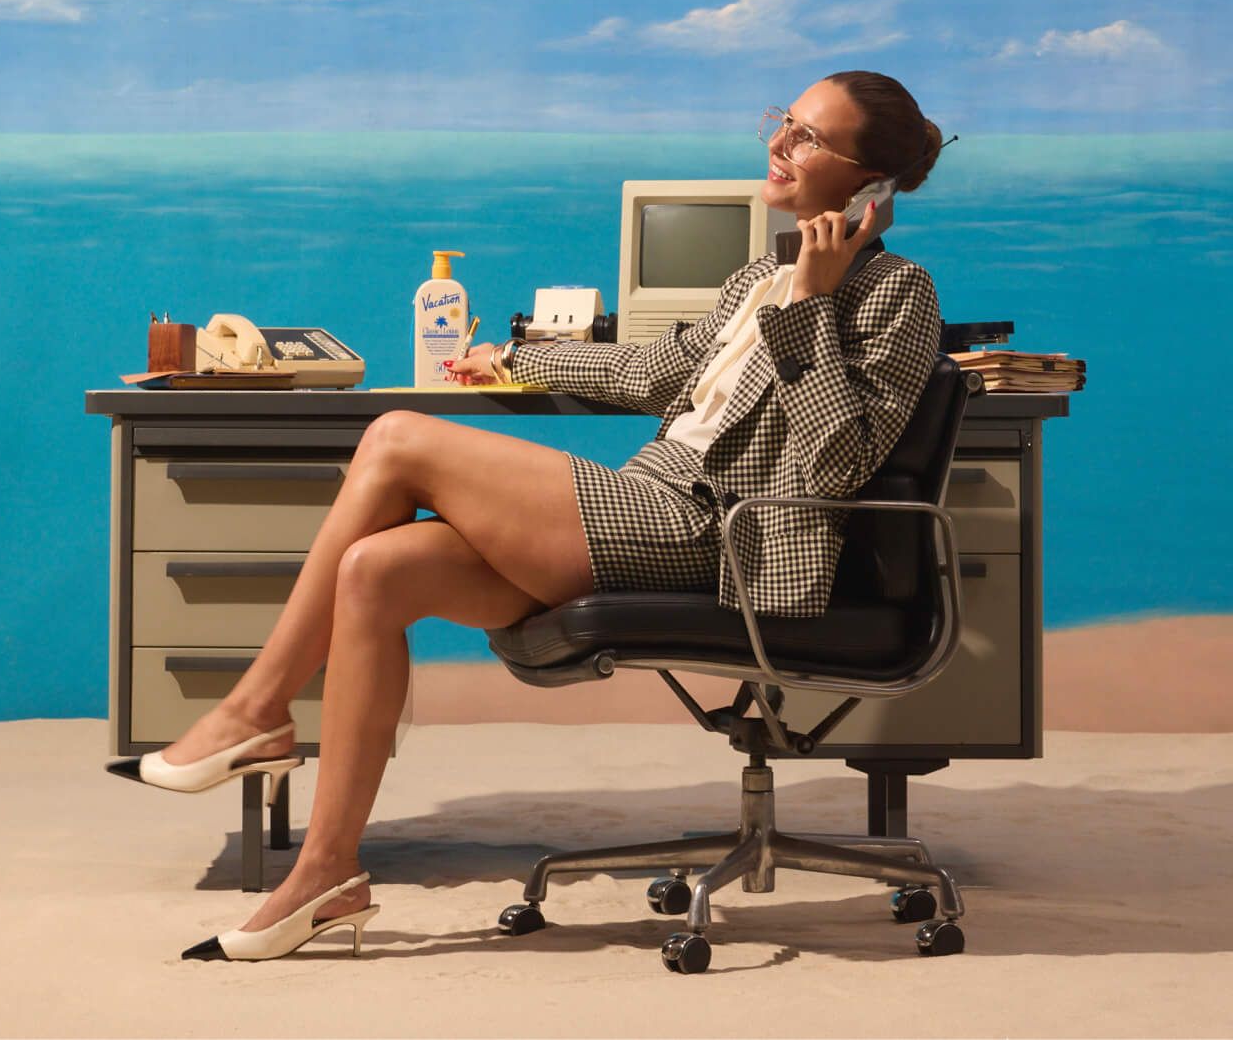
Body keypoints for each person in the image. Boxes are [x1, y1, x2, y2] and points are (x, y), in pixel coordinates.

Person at [108, 71, 948, 963]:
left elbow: (836, 458)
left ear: (871, 186)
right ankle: (326, 873)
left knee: (395, 437)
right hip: (660, 502)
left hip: (720, 537)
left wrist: (814, 306)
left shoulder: (896, 294)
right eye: (783, 121)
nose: (780, 143)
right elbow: (655, 375)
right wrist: (516, 354)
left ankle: (256, 711)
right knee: (375, 571)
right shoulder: (759, 275)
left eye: (809, 136)